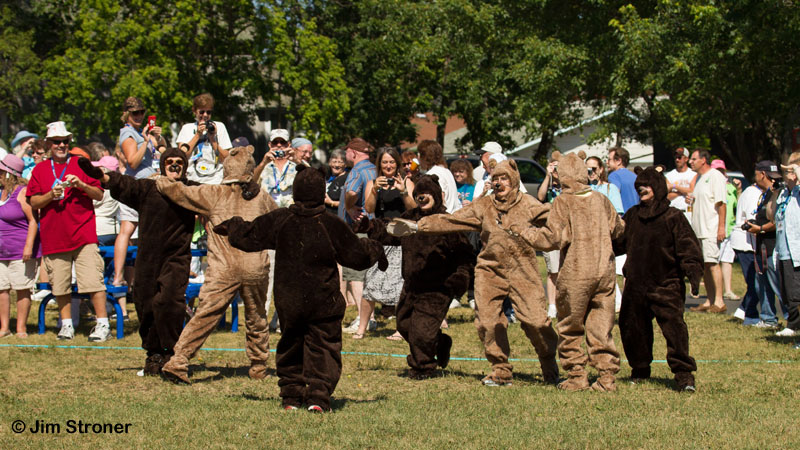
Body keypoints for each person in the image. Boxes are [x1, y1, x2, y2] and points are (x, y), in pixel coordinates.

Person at [217, 166, 387, 412]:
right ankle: (318, 395)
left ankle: (292, 395)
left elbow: (248, 235)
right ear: (321, 192)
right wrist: (375, 246)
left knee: (291, 342)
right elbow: (358, 256)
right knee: (324, 345)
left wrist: (232, 226)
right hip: (323, 299)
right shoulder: (331, 223)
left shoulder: (281, 218)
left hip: (290, 298)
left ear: (296, 191)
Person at [388, 160, 559, 386]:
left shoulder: (528, 203)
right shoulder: (484, 206)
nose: (499, 183)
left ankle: (549, 364)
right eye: (495, 179)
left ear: (514, 181)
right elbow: (452, 219)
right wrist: (420, 225)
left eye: (504, 178)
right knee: (487, 322)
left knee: (536, 321)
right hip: (490, 269)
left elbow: (556, 218)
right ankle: (500, 369)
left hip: (522, 268)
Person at [157, 146, 277, 383]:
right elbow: (279, 221)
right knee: (256, 316)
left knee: (206, 314)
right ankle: (258, 366)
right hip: (255, 266)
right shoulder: (261, 196)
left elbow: (179, 191)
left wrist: (160, 180)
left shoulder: (214, 194)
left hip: (223, 268)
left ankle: (179, 360)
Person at [78, 146, 197, 376]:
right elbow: (123, 183)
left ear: (184, 167)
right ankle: (154, 353)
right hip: (148, 259)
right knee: (146, 303)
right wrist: (101, 176)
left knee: (170, 301)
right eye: (169, 161)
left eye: (179, 162)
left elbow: (220, 196)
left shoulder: (191, 190)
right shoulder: (148, 188)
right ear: (162, 166)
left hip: (176, 258)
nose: (174, 165)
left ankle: (170, 353)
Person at [514, 152, 624, 392]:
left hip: (577, 273)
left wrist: (524, 231)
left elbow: (550, 238)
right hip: (605, 271)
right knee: (601, 326)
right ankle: (606, 377)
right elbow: (618, 228)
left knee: (570, 325)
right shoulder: (601, 199)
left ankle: (576, 374)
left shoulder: (564, 202)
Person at [364, 175, 474, 379]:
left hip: (438, 287)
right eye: (419, 195)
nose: (423, 198)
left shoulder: (447, 222)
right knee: (404, 325)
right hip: (412, 284)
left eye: (427, 194)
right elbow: (391, 230)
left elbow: (465, 255)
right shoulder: (410, 217)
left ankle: (423, 366)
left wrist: (460, 279)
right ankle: (440, 343)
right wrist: (371, 227)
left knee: (422, 331)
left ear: (436, 196)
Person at [616, 167, 703, 392]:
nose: (641, 190)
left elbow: (688, 248)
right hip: (636, 285)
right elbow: (619, 243)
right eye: (638, 187)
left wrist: (692, 274)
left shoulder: (674, 217)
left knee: (675, 330)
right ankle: (640, 369)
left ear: (658, 187)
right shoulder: (633, 215)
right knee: (632, 328)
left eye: (645, 186)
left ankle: (684, 375)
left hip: (667, 284)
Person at [26, 121, 109, 342]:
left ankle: (102, 324)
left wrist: (81, 184)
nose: (61, 145)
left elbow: (99, 194)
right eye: (56, 142)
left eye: (65, 141)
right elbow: (34, 202)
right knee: (60, 284)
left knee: (93, 281)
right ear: (49, 144)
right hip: (54, 235)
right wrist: (50, 195)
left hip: (84, 234)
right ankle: (66, 325)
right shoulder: (40, 169)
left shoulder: (81, 163)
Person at [361, 147, 416, 340]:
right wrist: (375, 189)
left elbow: (414, 209)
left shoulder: (407, 182)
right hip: (379, 239)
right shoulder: (372, 183)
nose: (388, 166)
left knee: (401, 285)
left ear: (397, 164)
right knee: (370, 281)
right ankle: (362, 327)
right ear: (379, 165)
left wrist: (403, 192)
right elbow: (369, 209)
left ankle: (400, 329)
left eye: (391, 162)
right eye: (384, 162)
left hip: (402, 238)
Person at [338, 138, 377, 334]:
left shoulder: (357, 170)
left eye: (347, 152)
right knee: (367, 275)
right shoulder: (374, 169)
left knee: (355, 275)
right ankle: (370, 317)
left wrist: (348, 206)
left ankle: (364, 320)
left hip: (356, 229)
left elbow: (352, 191)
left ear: (353, 152)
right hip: (373, 228)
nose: (345, 155)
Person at [0, 154, 41, 338]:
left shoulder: (23, 192)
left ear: (9, 174)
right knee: (2, 288)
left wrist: (28, 247)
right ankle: (4, 327)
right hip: (2, 249)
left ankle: (21, 328)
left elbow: (33, 221)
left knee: (21, 288)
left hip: (20, 249)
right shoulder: (1, 192)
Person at [744, 161, 787, 328]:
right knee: (761, 283)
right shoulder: (766, 194)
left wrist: (760, 228)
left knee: (778, 285)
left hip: (773, 246)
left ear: (762, 174)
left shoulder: (778, 193)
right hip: (762, 246)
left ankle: (792, 318)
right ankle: (768, 318)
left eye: (756, 173)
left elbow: (778, 220)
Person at [687, 149, 728, 313]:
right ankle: (709, 300)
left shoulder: (715, 176)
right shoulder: (699, 179)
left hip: (711, 228)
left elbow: (721, 203)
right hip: (699, 229)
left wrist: (721, 227)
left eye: (693, 159)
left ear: (703, 160)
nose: (691, 161)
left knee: (713, 264)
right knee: (704, 265)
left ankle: (719, 301)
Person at [768, 154, 800, 338]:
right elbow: (772, 215)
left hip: (796, 251)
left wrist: (796, 171)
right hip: (783, 251)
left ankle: (796, 326)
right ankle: (793, 324)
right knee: (788, 294)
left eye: (790, 169)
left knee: (797, 294)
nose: (786, 174)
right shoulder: (785, 193)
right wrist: (774, 194)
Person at [731, 165, 765, 325]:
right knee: (755, 283)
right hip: (746, 243)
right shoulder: (754, 194)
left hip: (746, 242)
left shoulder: (753, 192)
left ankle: (742, 311)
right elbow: (752, 221)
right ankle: (750, 316)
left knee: (755, 282)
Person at [177, 93, 233, 185]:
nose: (205, 115)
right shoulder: (187, 128)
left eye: (209, 112)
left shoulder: (220, 127)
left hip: (216, 181)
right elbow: (182, 156)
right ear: (194, 111)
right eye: (202, 112)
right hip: (193, 180)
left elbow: (226, 159)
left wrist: (213, 139)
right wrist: (197, 135)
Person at [710, 159, 741, 300]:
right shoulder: (710, 186)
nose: (720, 173)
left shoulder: (731, 188)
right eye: (717, 171)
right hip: (715, 229)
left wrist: (739, 190)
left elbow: (737, 206)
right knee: (713, 261)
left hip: (729, 229)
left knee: (727, 260)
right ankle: (715, 292)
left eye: (721, 170)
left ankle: (728, 290)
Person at [537, 153, 562, 319]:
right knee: (553, 270)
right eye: (553, 166)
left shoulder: (568, 184)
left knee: (567, 271)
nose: (556, 170)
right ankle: (552, 305)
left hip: (567, 233)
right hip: (551, 232)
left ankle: (565, 303)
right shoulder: (549, 184)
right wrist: (548, 175)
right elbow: (540, 196)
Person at [256, 129, 297, 208]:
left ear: (288, 144)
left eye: (282, 142)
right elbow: (251, 182)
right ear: (270, 145)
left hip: (290, 214)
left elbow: (313, 179)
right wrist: (263, 163)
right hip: (268, 213)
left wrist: (297, 160)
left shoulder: (296, 166)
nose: (279, 145)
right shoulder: (264, 166)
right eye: (275, 142)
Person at [417, 140, 461, 214]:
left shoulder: (431, 174)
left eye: (419, 155)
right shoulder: (446, 171)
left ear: (424, 157)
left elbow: (441, 197)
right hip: (454, 215)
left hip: (443, 218)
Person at [665, 148, 697, 218]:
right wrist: (682, 192)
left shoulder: (693, 174)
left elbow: (692, 191)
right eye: (676, 157)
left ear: (686, 159)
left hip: (688, 213)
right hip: (672, 213)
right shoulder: (669, 175)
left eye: (679, 157)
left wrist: (675, 186)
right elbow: (665, 196)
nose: (677, 160)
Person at [607, 147, 639, 213]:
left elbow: (613, 197)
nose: (607, 162)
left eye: (609, 159)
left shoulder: (614, 176)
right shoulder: (635, 176)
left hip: (622, 217)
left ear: (618, 161)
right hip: (635, 217)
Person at [324, 149, 348, 216]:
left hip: (338, 218)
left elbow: (349, 203)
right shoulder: (327, 177)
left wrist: (331, 203)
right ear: (329, 162)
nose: (337, 165)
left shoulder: (347, 178)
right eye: (334, 161)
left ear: (345, 164)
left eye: (340, 162)